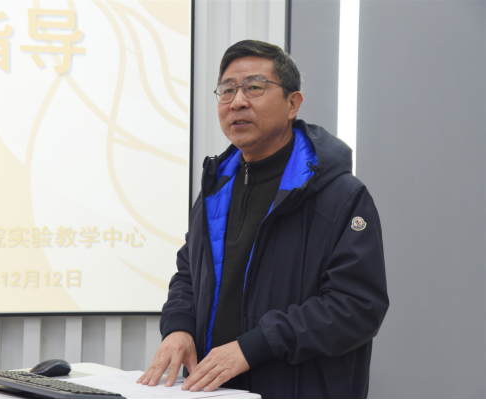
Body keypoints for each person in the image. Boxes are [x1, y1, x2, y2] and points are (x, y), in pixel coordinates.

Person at [137, 40, 389, 399]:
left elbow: (357, 307)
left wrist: (254, 346)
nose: (237, 101)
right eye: (227, 90)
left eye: (254, 87)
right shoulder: (216, 189)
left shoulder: (341, 197)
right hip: (214, 391)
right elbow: (189, 273)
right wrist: (179, 327)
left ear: (292, 104)